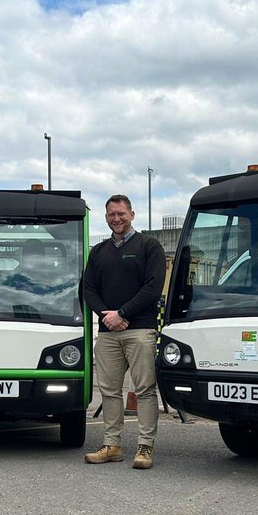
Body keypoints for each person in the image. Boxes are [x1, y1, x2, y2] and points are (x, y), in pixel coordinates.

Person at [82, 194, 166, 469]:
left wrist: (122, 313)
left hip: (140, 330)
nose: (116, 219)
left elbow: (152, 287)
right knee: (109, 391)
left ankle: (145, 447)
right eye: (111, 214)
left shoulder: (149, 246)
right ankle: (112, 445)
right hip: (108, 332)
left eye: (121, 213)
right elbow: (89, 289)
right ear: (106, 217)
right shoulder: (98, 251)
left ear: (132, 214)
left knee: (144, 390)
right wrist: (107, 316)